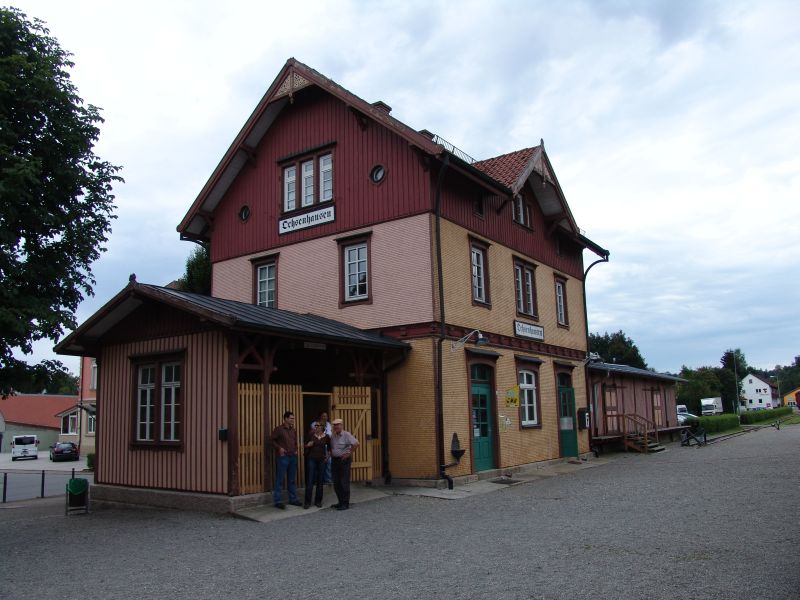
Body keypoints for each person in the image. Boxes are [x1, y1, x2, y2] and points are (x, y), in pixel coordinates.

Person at [270, 410, 302, 509]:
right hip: (283, 457)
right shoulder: (279, 429)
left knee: (292, 479)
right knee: (280, 479)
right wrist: (279, 448)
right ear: (286, 419)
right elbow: (271, 440)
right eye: (291, 418)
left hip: (292, 457)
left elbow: (295, 442)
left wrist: (296, 449)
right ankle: (277, 501)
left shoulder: (293, 430)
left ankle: (293, 499)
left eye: (293, 418)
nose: (293, 420)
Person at [329, 418, 359, 510]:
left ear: (341, 425)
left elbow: (356, 443)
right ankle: (340, 502)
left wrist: (349, 453)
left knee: (344, 482)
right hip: (335, 461)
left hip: (344, 461)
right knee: (336, 482)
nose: (336, 427)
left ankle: (345, 504)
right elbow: (332, 448)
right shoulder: (333, 436)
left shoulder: (346, 435)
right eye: (334, 425)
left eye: (338, 425)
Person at [303, 422, 330, 508]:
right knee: (310, 480)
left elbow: (329, 448)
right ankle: (307, 502)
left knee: (320, 480)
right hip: (311, 459)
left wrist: (327, 457)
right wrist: (308, 445)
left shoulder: (326, 437)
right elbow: (305, 445)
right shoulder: (311, 435)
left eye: (318, 425)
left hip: (321, 460)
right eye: (315, 426)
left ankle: (318, 501)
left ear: (322, 427)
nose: (316, 427)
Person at [310, 411, 333, 484]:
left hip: (327, 446)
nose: (325, 417)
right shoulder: (314, 424)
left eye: (326, 416)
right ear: (320, 417)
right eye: (323, 416)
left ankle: (327, 479)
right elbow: (315, 433)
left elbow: (330, 434)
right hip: (318, 447)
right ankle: (316, 480)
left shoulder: (328, 424)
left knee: (329, 462)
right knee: (318, 463)